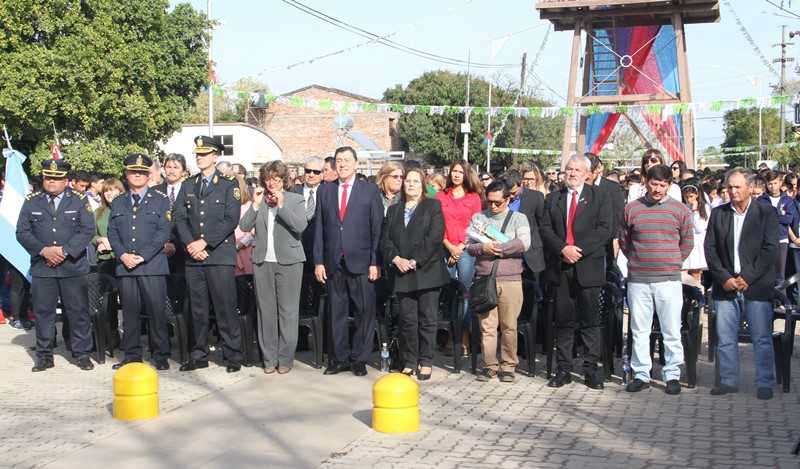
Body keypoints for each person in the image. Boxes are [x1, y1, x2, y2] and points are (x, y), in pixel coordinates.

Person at [16, 159, 96, 372]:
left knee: (77, 311)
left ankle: (82, 353)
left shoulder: (79, 200)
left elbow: (87, 230)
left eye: (56, 178)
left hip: (72, 265)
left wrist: (65, 251)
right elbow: (22, 232)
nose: (51, 181)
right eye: (48, 177)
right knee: (43, 312)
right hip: (43, 266)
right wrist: (44, 251)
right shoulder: (32, 200)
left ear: (66, 180)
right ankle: (44, 354)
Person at [620, 164, 693, 395]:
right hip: (639, 280)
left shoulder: (680, 210)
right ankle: (641, 374)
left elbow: (687, 242)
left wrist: (671, 261)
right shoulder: (632, 209)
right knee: (639, 330)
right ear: (646, 182)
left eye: (663, 184)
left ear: (669, 185)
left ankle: (672, 374)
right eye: (654, 183)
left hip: (668, 280)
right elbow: (624, 241)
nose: (658, 189)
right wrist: (639, 260)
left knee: (671, 329)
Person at [705, 168, 778, 400]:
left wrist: (747, 277)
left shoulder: (765, 213)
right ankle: (728, 380)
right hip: (725, 285)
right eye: (730, 187)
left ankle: (765, 381)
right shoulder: (719, 213)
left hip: (755, 285)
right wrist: (724, 277)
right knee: (725, 338)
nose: (733, 191)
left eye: (738, 187)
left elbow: (770, 250)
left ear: (750, 187)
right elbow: (710, 249)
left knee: (761, 337)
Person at [540, 154, 611, 390]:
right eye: (569, 169)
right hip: (561, 266)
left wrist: (577, 250)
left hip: (588, 264)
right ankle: (564, 369)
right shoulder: (553, 198)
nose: (572, 173)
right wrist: (563, 249)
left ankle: (591, 368)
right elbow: (545, 228)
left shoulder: (600, 196)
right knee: (564, 320)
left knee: (590, 320)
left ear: (587, 173)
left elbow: (605, 229)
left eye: (577, 170)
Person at [174, 136, 244, 373]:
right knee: (197, 308)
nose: (199, 157)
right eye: (197, 154)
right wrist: (191, 245)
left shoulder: (228, 184)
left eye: (204, 154)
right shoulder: (188, 184)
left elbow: (230, 219)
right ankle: (199, 353)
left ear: (215, 156)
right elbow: (180, 218)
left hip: (218, 255)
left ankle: (233, 353)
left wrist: (204, 242)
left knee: (225, 306)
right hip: (194, 256)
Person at [314, 146, 383, 377]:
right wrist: (318, 261)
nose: (342, 164)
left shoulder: (369, 190)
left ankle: (359, 359)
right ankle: (340, 358)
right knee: (337, 311)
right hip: (333, 260)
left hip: (362, 261)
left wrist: (375, 261)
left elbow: (376, 228)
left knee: (364, 310)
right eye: (338, 161)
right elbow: (318, 230)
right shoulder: (325, 191)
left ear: (356, 164)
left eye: (346, 160)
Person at [380, 168, 449, 380]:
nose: (410, 185)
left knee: (427, 318)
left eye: (415, 181)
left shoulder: (432, 206)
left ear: (423, 185)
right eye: (407, 181)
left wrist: (415, 260)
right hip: (402, 272)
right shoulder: (393, 210)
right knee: (407, 320)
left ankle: (426, 361)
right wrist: (396, 259)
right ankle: (409, 360)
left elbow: (434, 236)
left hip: (426, 270)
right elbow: (385, 240)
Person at [240, 161, 307, 375]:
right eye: (269, 179)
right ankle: (269, 357)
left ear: (283, 179)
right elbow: (243, 227)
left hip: (289, 261)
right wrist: (256, 205)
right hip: (262, 261)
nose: (272, 183)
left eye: (276, 179)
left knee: (288, 311)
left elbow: (300, 226)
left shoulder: (295, 199)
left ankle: (286, 358)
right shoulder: (258, 199)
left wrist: (281, 205)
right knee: (266, 311)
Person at [107, 154, 172, 371]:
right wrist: (123, 255)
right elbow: (112, 232)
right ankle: (132, 354)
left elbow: (163, 232)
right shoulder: (118, 201)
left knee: (155, 311)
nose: (137, 175)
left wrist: (142, 255)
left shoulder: (161, 200)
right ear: (126, 175)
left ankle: (160, 354)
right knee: (130, 312)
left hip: (151, 265)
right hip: (125, 265)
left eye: (142, 172)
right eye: (133, 171)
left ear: (149, 175)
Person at [466, 181, 531, 383]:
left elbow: (523, 243)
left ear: (508, 199)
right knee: (487, 326)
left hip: (510, 280)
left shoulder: (518, 218)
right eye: (489, 201)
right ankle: (489, 365)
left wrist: (499, 248)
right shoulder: (479, 218)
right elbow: (469, 246)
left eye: (497, 202)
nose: (492, 206)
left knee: (509, 325)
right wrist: (483, 249)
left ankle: (509, 366)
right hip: (484, 279)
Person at [436, 159, 483, 356]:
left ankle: (464, 334)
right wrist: (449, 245)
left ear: (466, 175)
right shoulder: (440, 196)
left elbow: (476, 226)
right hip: (445, 247)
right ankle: (448, 334)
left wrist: (460, 248)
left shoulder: (473, 198)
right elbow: (437, 224)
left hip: (466, 249)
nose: (456, 175)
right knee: (447, 293)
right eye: (453, 171)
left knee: (464, 292)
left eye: (460, 172)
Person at [92, 177, 125, 349]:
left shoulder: (127, 209)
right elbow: (90, 232)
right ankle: (112, 332)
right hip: (105, 260)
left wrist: (113, 242)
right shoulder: (99, 212)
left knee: (127, 297)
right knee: (108, 298)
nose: (109, 193)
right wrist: (99, 240)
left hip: (123, 259)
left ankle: (129, 331)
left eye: (113, 190)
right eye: (106, 190)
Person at [497, 170, 544, 280]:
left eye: (514, 193)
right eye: (508, 193)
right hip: (507, 257)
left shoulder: (536, 197)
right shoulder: (500, 198)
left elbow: (541, 224)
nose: (511, 196)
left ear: (521, 183)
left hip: (531, 256)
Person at [757, 170, 796, 287]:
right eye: (769, 183)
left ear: (780, 183)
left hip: (781, 239)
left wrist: (772, 214)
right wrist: (779, 213)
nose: (772, 186)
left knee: (780, 273)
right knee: (766, 271)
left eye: (774, 183)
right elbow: (761, 219)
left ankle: (781, 301)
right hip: (765, 240)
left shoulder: (787, 200)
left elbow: (789, 219)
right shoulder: (761, 200)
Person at [586, 153, 624, 271]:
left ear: (598, 168)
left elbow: (618, 214)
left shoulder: (612, 187)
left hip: (606, 241)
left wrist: (616, 239)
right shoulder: (579, 187)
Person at [153, 153, 187, 274]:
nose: (171, 171)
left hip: (184, 250)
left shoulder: (190, 190)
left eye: (176, 167)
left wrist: (175, 245)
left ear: (183, 171)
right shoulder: (154, 192)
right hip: (159, 250)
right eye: (168, 167)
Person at [291, 156, 324, 273]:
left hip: (321, 253)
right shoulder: (293, 192)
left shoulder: (328, 192)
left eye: (316, 172)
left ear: (322, 174)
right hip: (297, 250)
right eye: (308, 171)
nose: (311, 174)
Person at [681, 180, 710, 281]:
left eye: (691, 196)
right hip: (685, 241)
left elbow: (699, 228)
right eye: (686, 197)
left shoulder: (705, 208)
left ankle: (697, 294)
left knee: (695, 273)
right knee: (683, 272)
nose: (689, 200)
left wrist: (695, 211)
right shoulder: (683, 207)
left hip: (697, 243)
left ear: (697, 195)